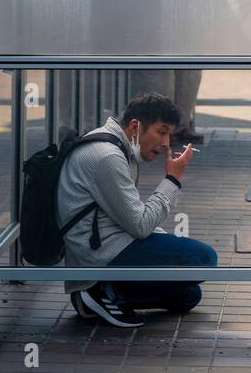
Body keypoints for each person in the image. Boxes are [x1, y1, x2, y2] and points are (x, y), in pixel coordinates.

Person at [56, 91, 217, 327]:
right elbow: (140, 226)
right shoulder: (107, 156)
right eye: (161, 132)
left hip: (109, 240)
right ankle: (97, 291)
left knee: (189, 296)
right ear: (135, 126)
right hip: (98, 253)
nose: (165, 144)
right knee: (204, 258)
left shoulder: (116, 145)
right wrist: (172, 180)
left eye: (169, 135)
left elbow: (130, 216)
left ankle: (110, 289)